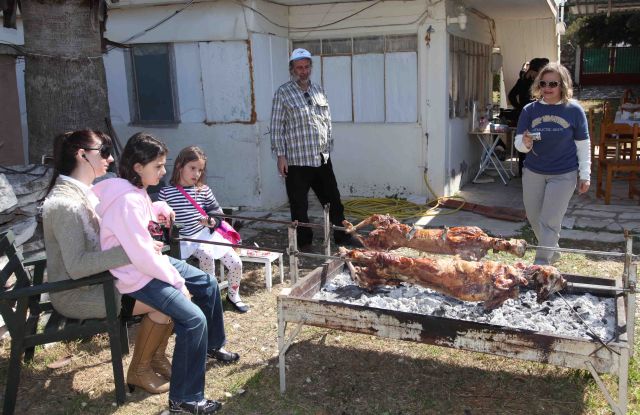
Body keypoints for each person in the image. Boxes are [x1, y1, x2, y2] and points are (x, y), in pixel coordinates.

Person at [93, 133, 239, 415]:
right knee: (193, 319)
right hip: (137, 276)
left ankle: (211, 346)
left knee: (208, 283)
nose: (163, 171)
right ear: (138, 167)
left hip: (147, 264)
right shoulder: (126, 201)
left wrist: (159, 207)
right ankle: (185, 400)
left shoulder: (134, 191)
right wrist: (177, 282)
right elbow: (142, 255)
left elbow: (142, 226)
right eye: (158, 166)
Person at [41, 130, 173, 395]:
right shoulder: (64, 204)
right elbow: (77, 267)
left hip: (104, 279)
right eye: (103, 152)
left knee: (171, 290)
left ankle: (154, 357)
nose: (111, 159)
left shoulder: (87, 192)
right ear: (82, 155)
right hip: (78, 292)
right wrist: (134, 251)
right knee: (167, 301)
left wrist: (152, 211)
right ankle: (140, 370)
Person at [270, 48, 360, 251]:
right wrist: (280, 155)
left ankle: (343, 236)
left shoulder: (319, 90)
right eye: (299, 67)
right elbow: (276, 126)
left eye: (306, 67)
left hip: (321, 158)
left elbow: (327, 121)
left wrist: (328, 147)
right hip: (297, 160)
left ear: (311, 67)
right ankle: (304, 243)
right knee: (299, 205)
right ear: (292, 69)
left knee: (334, 201)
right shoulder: (283, 93)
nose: (303, 71)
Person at [514, 62, 590, 265]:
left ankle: (541, 262)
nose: (547, 88)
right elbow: (519, 143)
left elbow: (583, 144)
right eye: (543, 83)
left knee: (550, 220)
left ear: (563, 85)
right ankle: (552, 251)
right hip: (533, 171)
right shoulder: (529, 110)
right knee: (533, 216)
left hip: (563, 174)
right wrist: (525, 143)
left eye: (553, 83)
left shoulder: (574, 110)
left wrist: (585, 174)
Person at [159, 146, 249, 313]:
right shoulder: (166, 193)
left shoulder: (203, 190)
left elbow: (218, 213)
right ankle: (210, 298)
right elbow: (159, 220)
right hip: (185, 240)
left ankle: (233, 295)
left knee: (236, 263)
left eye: (200, 170)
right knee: (207, 257)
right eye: (192, 168)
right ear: (179, 166)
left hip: (207, 235)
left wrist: (212, 221)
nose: (197, 174)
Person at [508, 57, 550, 176]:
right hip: (535, 116)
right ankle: (533, 171)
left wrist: (519, 107)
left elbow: (511, 95)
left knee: (525, 140)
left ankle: (524, 171)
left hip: (524, 114)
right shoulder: (537, 81)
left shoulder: (522, 79)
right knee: (534, 141)